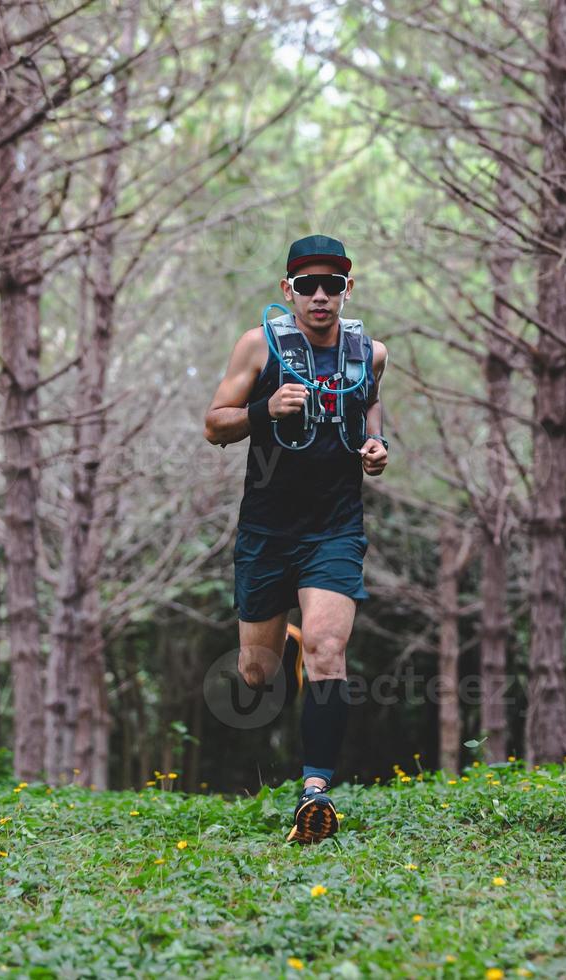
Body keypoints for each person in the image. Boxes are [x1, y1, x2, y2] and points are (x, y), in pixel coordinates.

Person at [203, 234, 389, 844]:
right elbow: (214, 425)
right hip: (266, 532)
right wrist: (266, 411)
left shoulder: (370, 352)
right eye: (306, 284)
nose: (319, 295)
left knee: (329, 650)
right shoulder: (261, 347)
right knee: (257, 676)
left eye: (331, 284)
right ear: (288, 290)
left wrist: (375, 445)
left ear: (347, 290)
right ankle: (282, 635)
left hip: (335, 528)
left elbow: (372, 405)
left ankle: (315, 792)